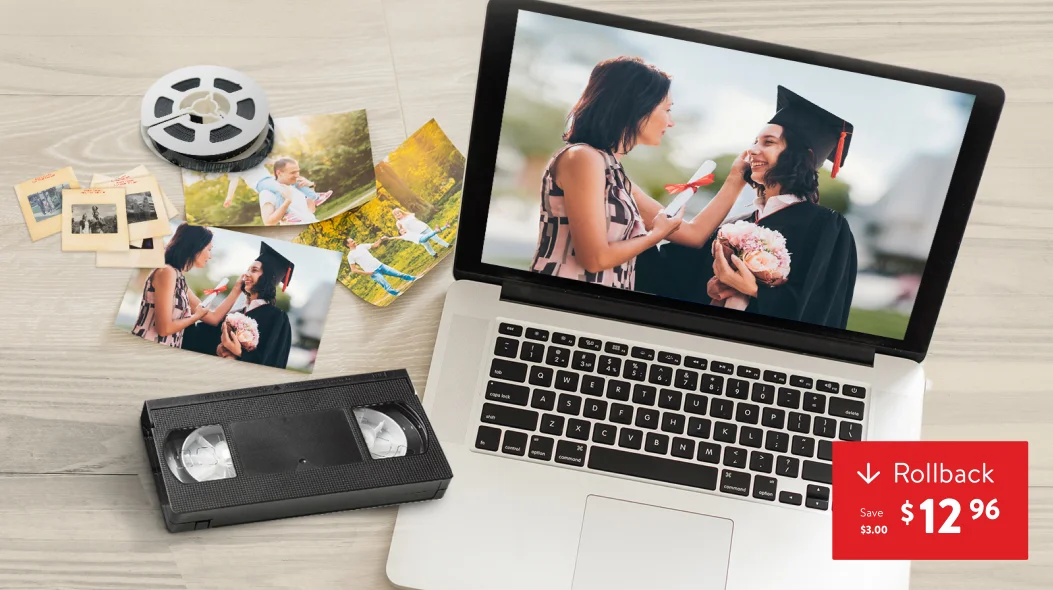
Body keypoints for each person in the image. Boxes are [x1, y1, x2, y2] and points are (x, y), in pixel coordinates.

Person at [636, 85, 858, 330]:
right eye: (754, 141)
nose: (752, 150)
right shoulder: (735, 225)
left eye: (768, 142)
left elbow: (821, 313)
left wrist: (752, 290)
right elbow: (667, 278)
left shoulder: (826, 227)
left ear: (801, 155)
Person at [529, 56, 748, 290]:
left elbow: (693, 235)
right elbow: (595, 259)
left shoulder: (617, 177)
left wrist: (736, 179)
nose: (671, 122)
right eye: (667, 109)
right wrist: (655, 235)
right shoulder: (582, 158)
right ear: (636, 106)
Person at [131, 224, 244, 348]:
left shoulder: (180, 282)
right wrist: (195, 317)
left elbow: (213, 318)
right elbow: (164, 329)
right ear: (196, 248)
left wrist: (237, 289)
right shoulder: (167, 272)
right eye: (209, 249)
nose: (210, 256)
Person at [186, 242, 295, 369]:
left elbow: (272, 362)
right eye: (247, 270)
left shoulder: (277, 318)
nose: (246, 274)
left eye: (254, 270)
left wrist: (239, 353)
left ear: (268, 277)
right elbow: (199, 337)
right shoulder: (235, 313)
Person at [224, 157, 334, 225]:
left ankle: (316, 197)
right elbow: (233, 181)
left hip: (270, 179)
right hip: (260, 183)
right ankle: (287, 215)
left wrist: (311, 187)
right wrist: (229, 197)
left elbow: (272, 161)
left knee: (297, 181)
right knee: (279, 189)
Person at [345, 236, 417, 297]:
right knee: (386, 286)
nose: (354, 241)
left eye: (353, 240)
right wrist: (367, 273)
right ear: (348, 245)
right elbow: (353, 269)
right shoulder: (350, 255)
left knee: (398, 274)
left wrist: (381, 239)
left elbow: (375, 245)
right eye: (352, 241)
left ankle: (413, 278)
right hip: (373, 272)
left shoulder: (361, 246)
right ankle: (397, 294)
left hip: (380, 265)